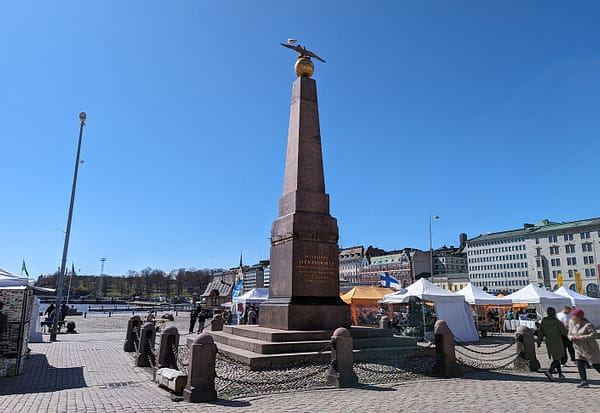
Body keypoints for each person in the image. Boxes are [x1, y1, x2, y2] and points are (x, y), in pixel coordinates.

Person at [568, 308, 600, 388]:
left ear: (579, 317)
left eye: (574, 316)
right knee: (580, 364)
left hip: (590, 349)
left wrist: (581, 337)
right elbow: (569, 334)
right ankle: (584, 381)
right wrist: (571, 337)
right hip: (578, 349)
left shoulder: (588, 324)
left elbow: (594, 335)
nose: (573, 317)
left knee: (597, 365)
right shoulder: (572, 323)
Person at [537, 307, 568, 381]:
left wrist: (539, 342)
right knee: (557, 358)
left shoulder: (543, 321)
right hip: (557, 341)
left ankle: (560, 374)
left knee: (556, 358)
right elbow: (564, 332)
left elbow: (540, 333)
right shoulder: (556, 321)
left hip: (549, 342)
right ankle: (550, 371)